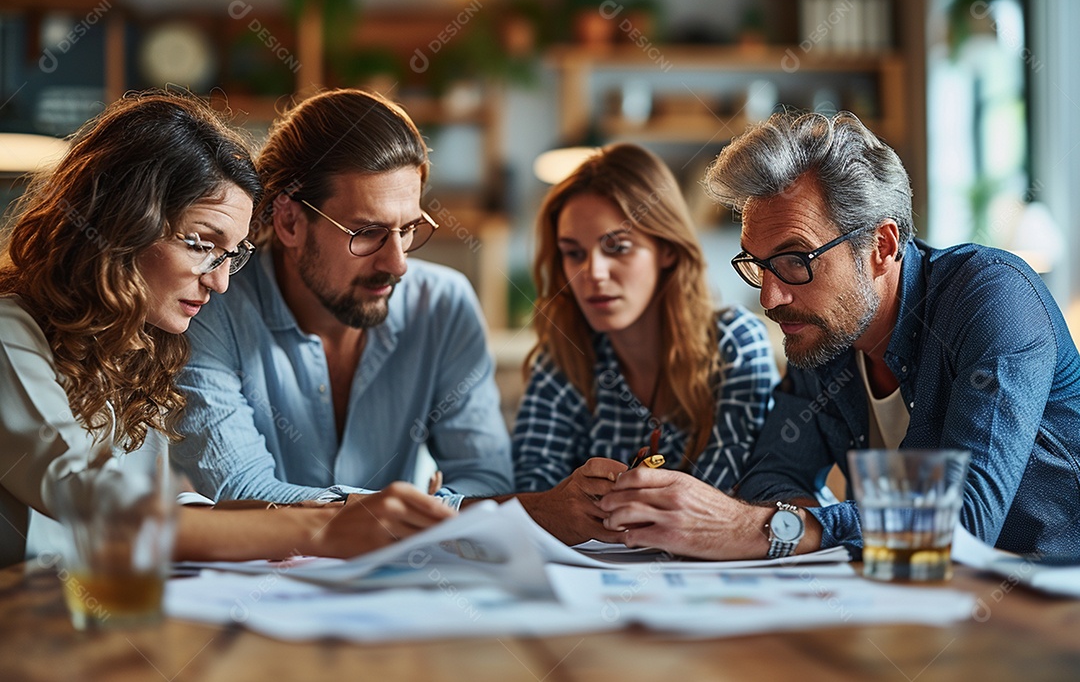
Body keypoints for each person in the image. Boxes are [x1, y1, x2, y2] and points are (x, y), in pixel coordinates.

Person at [0, 90, 451, 568]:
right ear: (120, 225)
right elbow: (103, 508)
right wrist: (320, 527)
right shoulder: (11, 335)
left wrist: (332, 508)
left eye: (232, 255)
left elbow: (168, 509)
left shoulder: (139, 348)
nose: (219, 281)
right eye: (201, 244)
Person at [601, 111, 1080, 559]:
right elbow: (773, 475)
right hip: (917, 606)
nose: (770, 298)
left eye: (795, 260)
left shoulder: (992, 296)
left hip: (1047, 613)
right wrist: (791, 528)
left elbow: (966, 525)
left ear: (882, 246)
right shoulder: (825, 335)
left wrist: (768, 530)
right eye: (759, 265)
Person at [171, 88, 512, 509]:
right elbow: (241, 493)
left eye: (407, 229)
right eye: (367, 233)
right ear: (291, 221)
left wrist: (420, 512)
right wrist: (418, 511)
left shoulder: (444, 304)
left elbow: (486, 477)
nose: (398, 264)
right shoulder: (206, 306)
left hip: (405, 572)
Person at [505, 143, 778, 545]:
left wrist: (593, 508)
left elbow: (720, 503)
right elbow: (538, 501)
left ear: (666, 249)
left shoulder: (735, 344)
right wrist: (559, 506)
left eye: (617, 247)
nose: (592, 273)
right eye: (573, 253)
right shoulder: (563, 353)